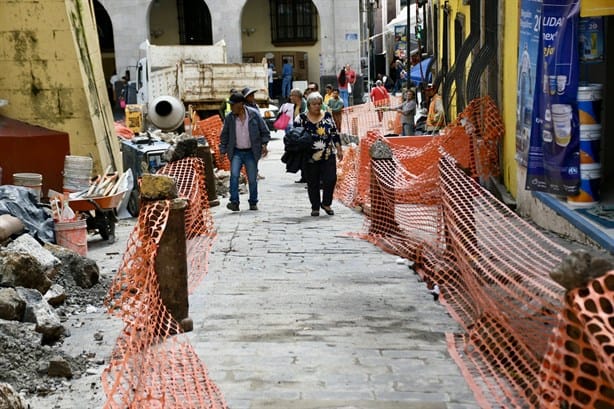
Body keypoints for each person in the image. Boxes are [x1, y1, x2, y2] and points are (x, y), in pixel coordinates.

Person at [293, 92, 344, 217]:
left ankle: (326, 203)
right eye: (314, 104)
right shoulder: (301, 119)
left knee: (331, 179)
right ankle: (315, 206)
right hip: (310, 156)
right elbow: (295, 136)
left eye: (319, 104)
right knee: (313, 182)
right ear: (309, 105)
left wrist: (339, 147)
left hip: (327, 153)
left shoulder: (327, 115)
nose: (317, 106)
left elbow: (334, 132)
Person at [219, 92, 270, 211]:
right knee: (234, 176)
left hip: (251, 152)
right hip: (236, 151)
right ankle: (234, 202)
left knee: (252, 178)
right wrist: (222, 150)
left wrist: (264, 144)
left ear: (241, 104)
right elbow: (224, 135)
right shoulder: (230, 118)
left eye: (233, 105)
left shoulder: (254, 115)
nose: (231, 108)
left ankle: (253, 202)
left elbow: (265, 131)